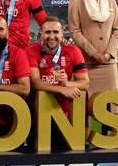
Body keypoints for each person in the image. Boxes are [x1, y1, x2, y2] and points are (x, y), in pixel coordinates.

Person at [67, 0, 118, 135]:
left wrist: (108, 54)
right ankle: (83, 138)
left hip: (108, 63)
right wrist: (94, 53)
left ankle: (109, 139)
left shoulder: (111, 2)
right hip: (86, 62)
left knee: (109, 103)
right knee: (84, 102)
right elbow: (75, 32)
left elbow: (117, 30)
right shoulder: (76, 2)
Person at [26, 16, 89, 147]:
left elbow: (85, 83)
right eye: (48, 32)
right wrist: (62, 89)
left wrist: (68, 84)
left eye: (55, 32)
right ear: (41, 33)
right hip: (37, 116)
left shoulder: (73, 51)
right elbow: (35, 82)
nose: (52, 36)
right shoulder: (31, 51)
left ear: (62, 33)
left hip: (64, 117)